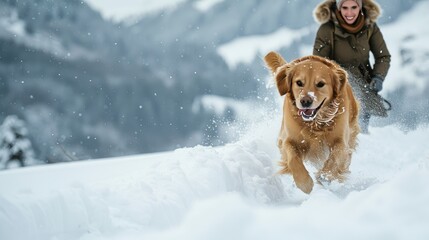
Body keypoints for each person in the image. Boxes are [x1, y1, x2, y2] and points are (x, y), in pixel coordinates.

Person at [313, 0, 391, 133]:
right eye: (345, 8)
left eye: (354, 7)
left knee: (361, 119)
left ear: (360, 7)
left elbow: (383, 56)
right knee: (351, 101)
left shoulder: (370, 27)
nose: (350, 13)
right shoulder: (327, 29)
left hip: (364, 82)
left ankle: (361, 138)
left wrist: (378, 77)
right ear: (338, 8)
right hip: (337, 82)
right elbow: (319, 63)